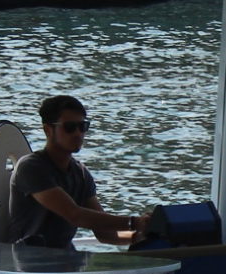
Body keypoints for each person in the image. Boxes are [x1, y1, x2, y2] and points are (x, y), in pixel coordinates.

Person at [7, 94, 146, 250]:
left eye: (83, 127)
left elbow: (106, 235)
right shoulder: (31, 167)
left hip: (64, 262)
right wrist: (134, 223)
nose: (78, 134)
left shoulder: (80, 173)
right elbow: (74, 215)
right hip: (27, 264)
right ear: (48, 130)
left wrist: (143, 235)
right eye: (69, 127)